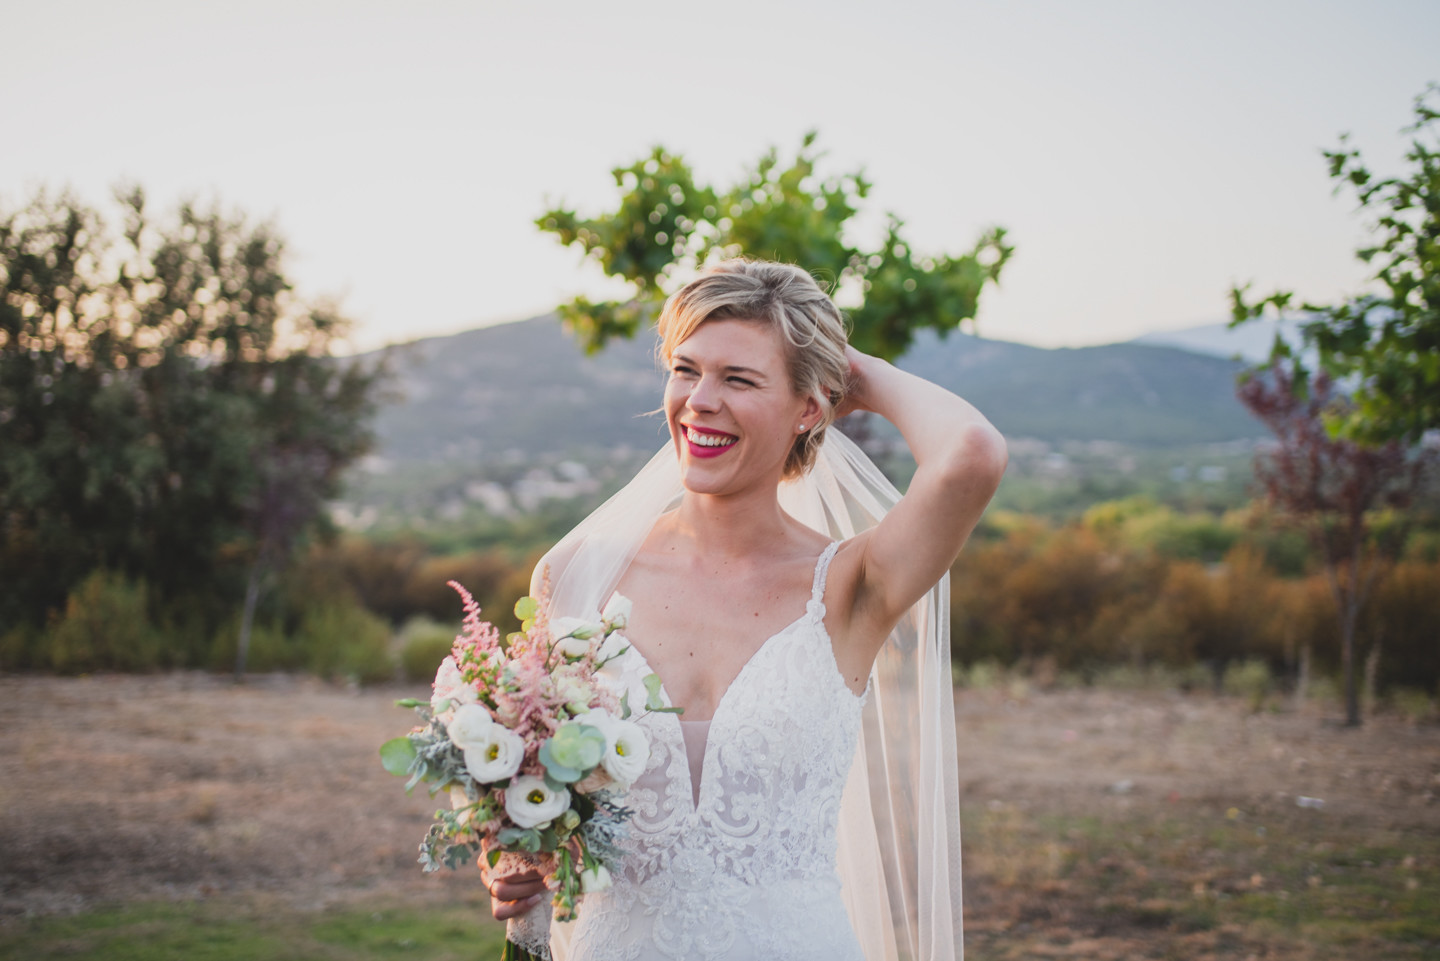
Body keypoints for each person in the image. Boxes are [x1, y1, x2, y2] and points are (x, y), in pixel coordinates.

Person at [483, 259, 1007, 961]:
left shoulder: (852, 586)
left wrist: (857, 372)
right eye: (685, 369)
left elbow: (972, 454)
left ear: (810, 409)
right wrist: (513, 858)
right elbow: (534, 784)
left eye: (739, 378)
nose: (699, 399)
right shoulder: (578, 576)